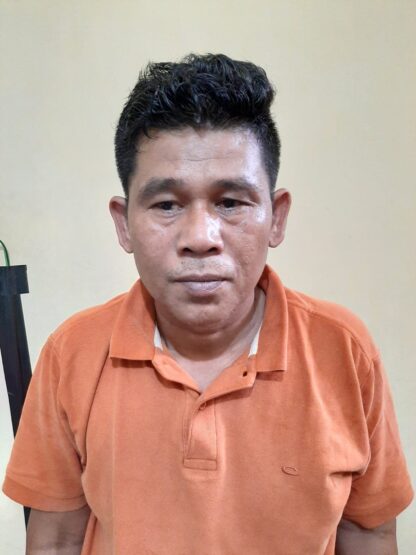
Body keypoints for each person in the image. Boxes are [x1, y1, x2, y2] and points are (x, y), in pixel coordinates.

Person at [3, 53, 413, 555]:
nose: (200, 237)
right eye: (167, 204)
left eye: (230, 202)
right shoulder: (72, 353)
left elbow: (369, 532)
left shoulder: (345, 351)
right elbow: (56, 540)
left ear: (277, 217)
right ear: (123, 224)